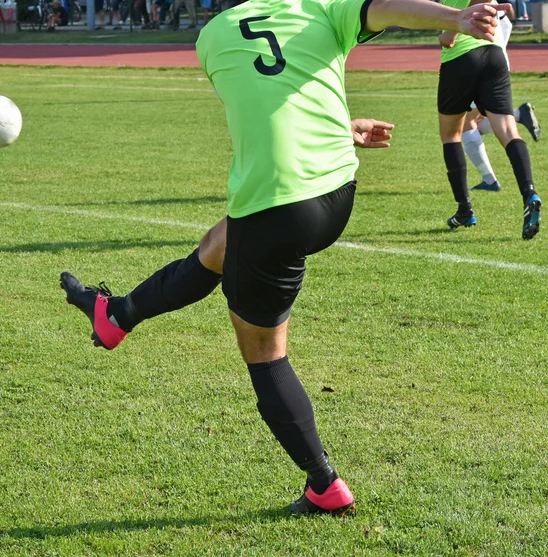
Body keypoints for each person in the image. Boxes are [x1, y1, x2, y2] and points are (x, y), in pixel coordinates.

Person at [61, 0, 506, 516]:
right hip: (335, 192)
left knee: (266, 356)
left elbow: (263, 99)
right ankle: (118, 316)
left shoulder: (213, 35)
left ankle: (325, 486)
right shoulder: (322, 10)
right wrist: (455, 18)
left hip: (275, 207)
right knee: (217, 245)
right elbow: (382, 10)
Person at [438, 0, 541, 239]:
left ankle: (465, 209)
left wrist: (451, 29)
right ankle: (529, 194)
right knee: (508, 131)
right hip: (494, 54)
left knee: (451, 133)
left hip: (461, 56)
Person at [460, 5, 541, 192]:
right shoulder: (492, 8)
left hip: (480, 60)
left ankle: (490, 181)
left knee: (466, 123)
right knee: (477, 123)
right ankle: (519, 115)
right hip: (495, 57)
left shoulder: (477, 6)